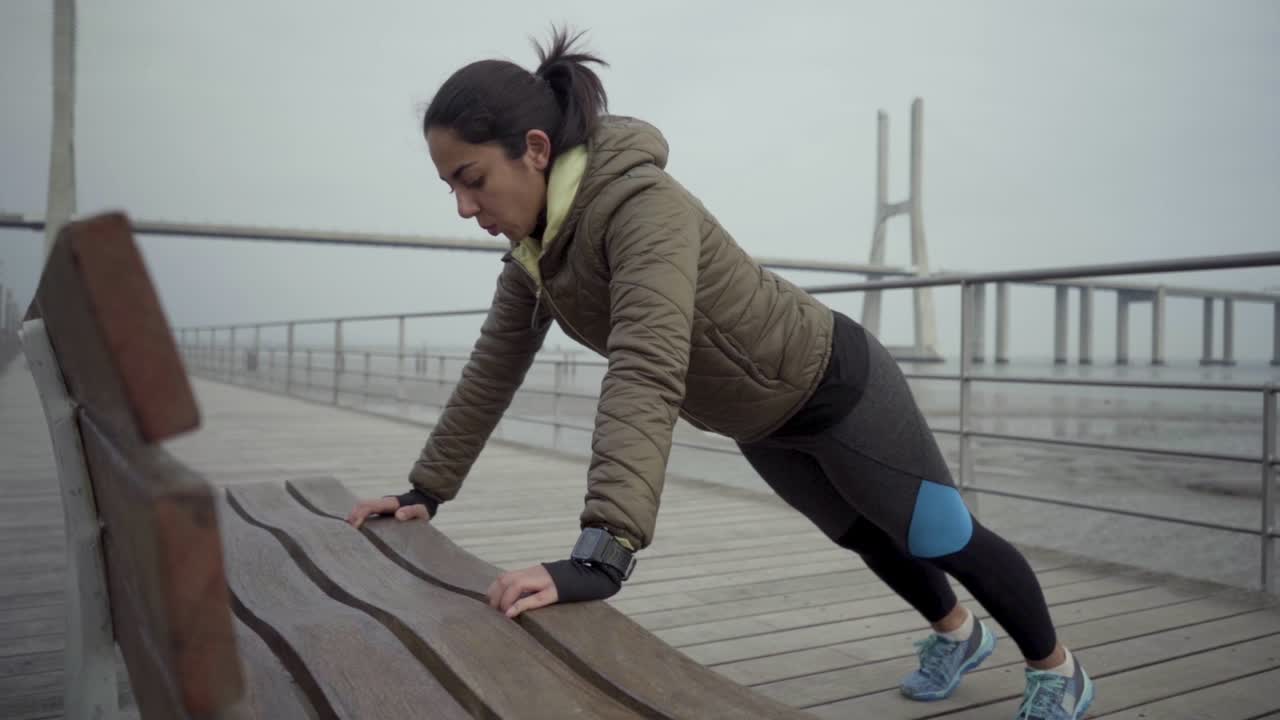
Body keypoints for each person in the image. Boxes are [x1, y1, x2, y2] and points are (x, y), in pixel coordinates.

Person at [344, 26, 1094, 719]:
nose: (463, 205)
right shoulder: (536, 253)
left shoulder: (642, 208)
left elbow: (646, 362)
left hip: (836, 386)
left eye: (471, 178)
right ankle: (957, 633)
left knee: (939, 535)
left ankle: (1059, 670)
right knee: (864, 536)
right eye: (450, 186)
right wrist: (426, 490)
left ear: (534, 148)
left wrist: (603, 550)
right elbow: (494, 365)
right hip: (760, 421)